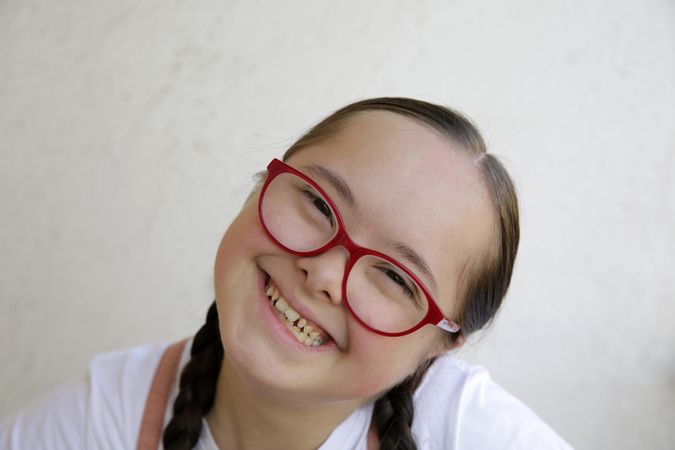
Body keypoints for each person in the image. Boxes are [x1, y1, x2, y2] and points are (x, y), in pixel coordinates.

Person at [0, 98, 573, 450]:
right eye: (320, 205)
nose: (324, 273)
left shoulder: (461, 431)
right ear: (260, 183)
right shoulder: (102, 419)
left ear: (440, 345)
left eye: (397, 277)